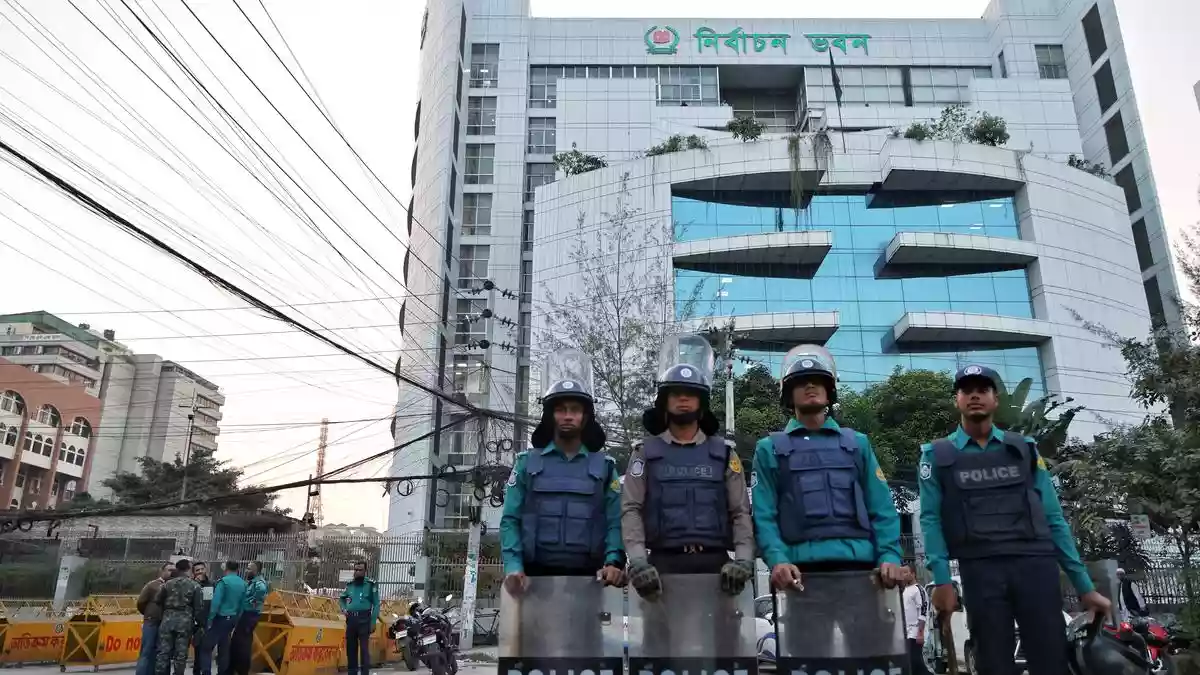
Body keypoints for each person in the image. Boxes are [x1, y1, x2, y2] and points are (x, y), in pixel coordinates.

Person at [918, 364, 1111, 675]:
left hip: (1035, 566)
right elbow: (930, 520)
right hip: (980, 570)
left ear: (996, 400)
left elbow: (1053, 518)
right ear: (957, 400)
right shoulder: (937, 455)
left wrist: (1084, 586)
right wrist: (941, 580)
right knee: (993, 663)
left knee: (1051, 661)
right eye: (967, 391)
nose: (975, 396)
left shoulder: (1023, 449)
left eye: (983, 390)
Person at [752, 345, 905, 592]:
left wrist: (889, 556)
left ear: (830, 391)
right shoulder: (769, 448)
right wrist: (777, 559)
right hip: (799, 572)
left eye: (817, 382)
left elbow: (882, 508)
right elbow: (763, 515)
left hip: (862, 568)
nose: (810, 386)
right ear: (789, 396)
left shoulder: (857, 444)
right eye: (801, 383)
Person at [622, 334, 755, 598]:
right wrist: (638, 561)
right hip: (660, 569)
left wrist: (743, 560)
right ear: (664, 402)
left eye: (691, 394)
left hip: (718, 568)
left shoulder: (725, 454)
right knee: (660, 640)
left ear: (702, 403)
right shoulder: (644, 454)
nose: (683, 399)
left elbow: (740, 512)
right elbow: (630, 510)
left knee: (723, 640)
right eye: (676, 393)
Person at [500, 348, 624, 591]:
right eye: (560, 409)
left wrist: (613, 561)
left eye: (575, 410)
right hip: (533, 583)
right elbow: (510, 520)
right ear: (550, 415)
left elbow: (615, 521)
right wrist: (513, 566)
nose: (568, 416)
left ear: (586, 417)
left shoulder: (605, 467)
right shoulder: (526, 463)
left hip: (591, 582)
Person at [154, 559, 204, 675]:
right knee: (180, 655)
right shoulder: (195, 586)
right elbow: (198, 608)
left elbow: (157, 600)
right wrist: (200, 624)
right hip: (184, 624)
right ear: (188, 569)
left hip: (167, 621)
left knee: (163, 653)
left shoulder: (167, 584)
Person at [196, 561, 246, 675]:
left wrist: (210, 619)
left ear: (226, 568)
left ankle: (206, 672)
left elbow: (216, 602)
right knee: (224, 648)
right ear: (237, 569)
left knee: (206, 648)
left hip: (220, 618)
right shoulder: (243, 584)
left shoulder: (223, 582)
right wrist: (236, 619)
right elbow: (243, 605)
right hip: (232, 618)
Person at [226, 561, 269, 675]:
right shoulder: (251, 582)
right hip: (245, 614)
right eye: (247, 568)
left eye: (250, 569)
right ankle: (233, 669)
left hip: (250, 615)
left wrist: (251, 601)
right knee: (237, 642)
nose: (246, 570)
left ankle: (241, 670)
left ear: (257, 571)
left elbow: (261, 590)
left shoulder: (258, 583)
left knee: (243, 644)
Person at [339, 560, 379, 675]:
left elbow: (376, 604)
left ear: (365, 571)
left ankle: (365, 672)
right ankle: (352, 673)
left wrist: (373, 622)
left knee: (364, 650)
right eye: (355, 570)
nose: (357, 572)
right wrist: (344, 609)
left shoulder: (370, 585)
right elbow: (342, 598)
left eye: (360, 570)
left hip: (364, 619)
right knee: (351, 649)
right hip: (351, 620)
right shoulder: (350, 585)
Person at [137, 562, 174, 675]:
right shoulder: (152, 585)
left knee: (162, 652)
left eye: (173, 570)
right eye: (169, 570)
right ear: (162, 571)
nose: (171, 572)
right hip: (152, 621)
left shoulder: (174, 586)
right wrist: (149, 613)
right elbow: (141, 602)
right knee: (147, 651)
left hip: (166, 623)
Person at [902, 564, 931, 675]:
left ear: (913, 574)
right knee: (912, 664)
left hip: (915, 632)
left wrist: (920, 632)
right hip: (907, 633)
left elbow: (923, 610)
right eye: (902, 573)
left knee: (915, 662)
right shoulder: (904, 590)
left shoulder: (918, 589)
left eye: (905, 572)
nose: (903, 575)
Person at [190, 562, 214, 675]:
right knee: (198, 653)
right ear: (193, 573)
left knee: (206, 652)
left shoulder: (212, 585)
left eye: (201, 569)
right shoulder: (191, 585)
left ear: (206, 570)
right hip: (195, 624)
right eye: (197, 570)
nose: (200, 572)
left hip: (208, 623)